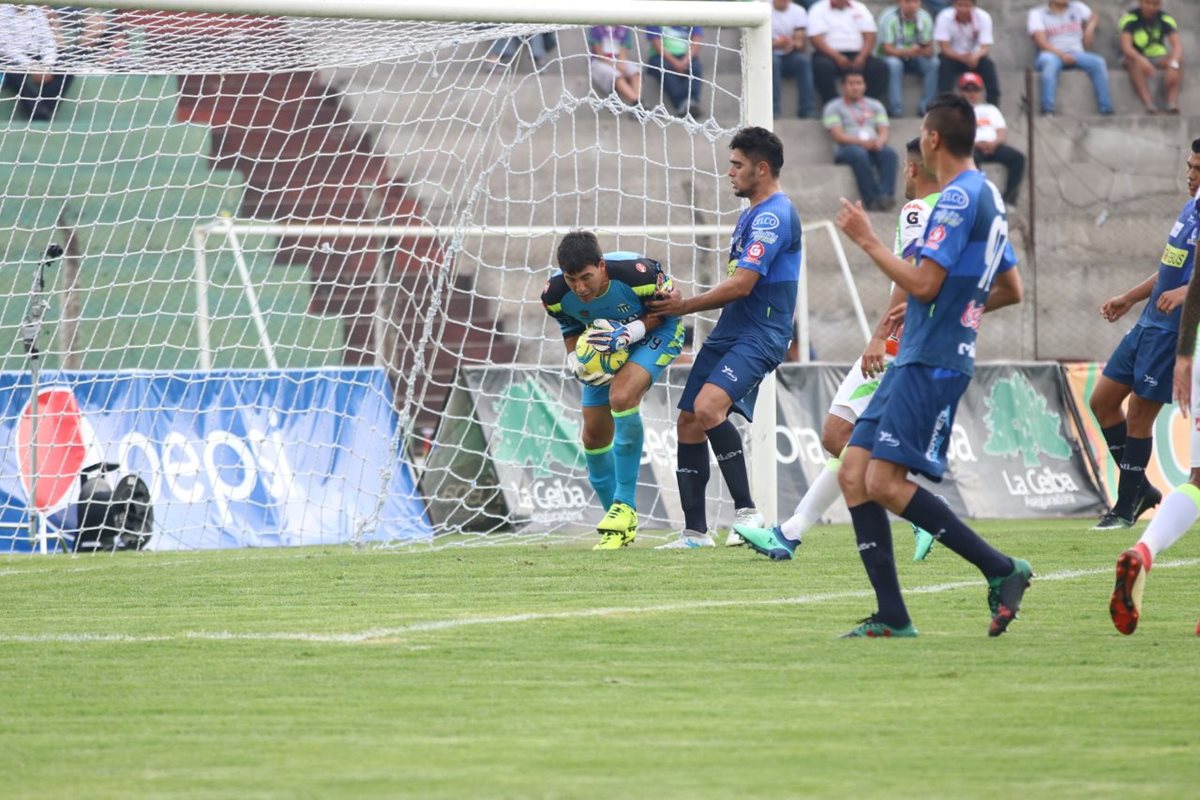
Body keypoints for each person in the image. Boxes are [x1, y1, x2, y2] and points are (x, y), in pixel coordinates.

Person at [832, 93, 1030, 638]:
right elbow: (1011, 288)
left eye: (922, 131)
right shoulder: (987, 193)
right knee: (854, 474)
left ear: (933, 139)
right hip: (917, 353)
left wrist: (867, 239)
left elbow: (923, 282)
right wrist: (957, 305)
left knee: (885, 482)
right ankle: (893, 615)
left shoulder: (958, 199)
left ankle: (1001, 568)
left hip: (933, 360)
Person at [733, 135, 941, 562]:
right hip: (930, 340)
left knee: (837, 433)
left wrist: (881, 335)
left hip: (904, 340)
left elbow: (912, 276)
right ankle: (789, 533)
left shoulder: (918, 211)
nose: (903, 173)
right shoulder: (954, 213)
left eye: (905, 165)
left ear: (916, 168)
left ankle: (915, 510)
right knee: (848, 437)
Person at [648, 127, 801, 549]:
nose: (729, 172)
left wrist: (684, 306)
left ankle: (749, 514)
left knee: (709, 407)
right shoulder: (752, 213)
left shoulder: (773, 215)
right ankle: (696, 533)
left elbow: (743, 285)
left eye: (737, 165)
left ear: (761, 168)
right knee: (689, 420)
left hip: (762, 331)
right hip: (733, 328)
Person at [541, 232, 685, 550]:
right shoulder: (554, 294)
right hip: (604, 351)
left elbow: (672, 307)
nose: (579, 287)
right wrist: (573, 360)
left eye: (586, 277)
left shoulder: (638, 274)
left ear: (602, 266)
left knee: (621, 397)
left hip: (657, 332)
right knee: (593, 436)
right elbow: (570, 327)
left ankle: (624, 504)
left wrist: (629, 332)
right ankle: (618, 528)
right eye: (571, 279)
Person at [1110, 142, 1200, 636]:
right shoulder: (1194, 208)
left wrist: (1187, 355)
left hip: (1196, 345)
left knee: (1198, 478)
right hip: (1181, 340)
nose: (1191, 175)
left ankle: (1144, 548)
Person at [1088, 144, 1200, 531]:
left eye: (1198, 169)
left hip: (1174, 331)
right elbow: (1170, 268)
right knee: (1102, 401)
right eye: (1189, 166)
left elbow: (1192, 280)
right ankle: (1143, 490)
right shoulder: (1190, 209)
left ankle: (1123, 507)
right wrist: (1130, 297)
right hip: (1149, 322)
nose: (1191, 174)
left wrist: (1186, 294)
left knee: (1138, 413)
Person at [824, 70, 898, 212]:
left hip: (872, 145)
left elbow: (884, 129)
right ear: (843, 86)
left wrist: (879, 142)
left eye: (859, 83)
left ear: (864, 86)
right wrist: (861, 142)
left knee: (889, 154)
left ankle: (885, 196)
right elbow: (838, 135)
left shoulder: (875, 105)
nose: (855, 87)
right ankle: (871, 200)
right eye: (851, 83)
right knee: (859, 155)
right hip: (846, 148)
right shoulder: (833, 107)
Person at [1028, 0, 1114, 116]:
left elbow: (1094, 17)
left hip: (1076, 53)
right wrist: (1062, 55)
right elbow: (1041, 43)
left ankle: (1106, 108)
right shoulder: (1037, 13)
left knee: (1098, 62)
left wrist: (1090, 28)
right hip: (1050, 54)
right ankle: (1048, 109)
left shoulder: (1077, 7)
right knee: (1050, 63)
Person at [959, 72, 1025, 206]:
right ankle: (978, 200)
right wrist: (976, 144)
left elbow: (1001, 132)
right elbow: (958, 135)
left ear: (981, 91)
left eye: (975, 89)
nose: (971, 93)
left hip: (994, 146)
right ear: (961, 91)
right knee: (970, 160)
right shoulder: (957, 111)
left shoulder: (991, 109)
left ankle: (1009, 200)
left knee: (1018, 158)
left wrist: (994, 143)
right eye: (967, 89)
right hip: (971, 148)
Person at [806, 0, 889, 106]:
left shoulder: (859, 7)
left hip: (857, 53)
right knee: (822, 67)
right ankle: (832, 105)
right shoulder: (818, 9)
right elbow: (815, 38)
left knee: (879, 67)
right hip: (828, 54)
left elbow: (870, 34)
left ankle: (867, 105)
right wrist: (837, 57)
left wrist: (862, 56)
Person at [0, 4, 73, 122]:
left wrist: (47, 64)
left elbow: (48, 41)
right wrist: (32, 66)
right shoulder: (2, 11)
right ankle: (36, 109)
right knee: (11, 72)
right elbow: (5, 47)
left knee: (67, 64)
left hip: (38, 57)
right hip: (11, 58)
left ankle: (43, 106)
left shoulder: (35, 11)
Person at [1118, 0, 1183, 116]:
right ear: (1140, 3)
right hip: (1135, 56)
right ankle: (1149, 104)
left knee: (1179, 59)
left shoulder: (1165, 18)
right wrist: (1141, 60)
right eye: (1148, 3)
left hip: (1158, 56)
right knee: (1132, 62)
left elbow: (1177, 46)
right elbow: (1126, 48)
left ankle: (1172, 103)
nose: (1152, 7)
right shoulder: (1130, 18)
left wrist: (1173, 64)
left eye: (1155, 4)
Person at [876, 0, 938, 118]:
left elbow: (929, 48)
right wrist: (908, 51)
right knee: (894, 65)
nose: (912, 5)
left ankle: (926, 107)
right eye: (907, 2)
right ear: (899, 2)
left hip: (916, 56)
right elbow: (887, 49)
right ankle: (896, 108)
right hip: (892, 56)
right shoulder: (889, 18)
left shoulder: (924, 17)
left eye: (915, 2)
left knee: (934, 63)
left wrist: (922, 51)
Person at [934, 0, 1000, 106]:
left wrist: (975, 56)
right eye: (960, 5)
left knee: (988, 65)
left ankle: (993, 104)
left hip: (975, 57)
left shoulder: (983, 17)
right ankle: (945, 105)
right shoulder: (944, 17)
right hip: (953, 56)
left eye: (967, 6)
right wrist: (962, 57)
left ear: (974, 6)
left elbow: (985, 47)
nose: (963, 9)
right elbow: (944, 48)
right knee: (945, 65)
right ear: (954, 5)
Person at [646, 24, 705, 119]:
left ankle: (692, 101)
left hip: (685, 57)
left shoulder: (691, 15)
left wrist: (685, 61)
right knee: (664, 70)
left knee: (695, 67)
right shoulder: (655, 16)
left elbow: (696, 40)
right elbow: (656, 44)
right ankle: (682, 103)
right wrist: (675, 63)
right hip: (661, 57)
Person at [770, 0, 816, 119]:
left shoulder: (798, 11)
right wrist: (773, 44)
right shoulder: (762, 9)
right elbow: (756, 43)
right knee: (773, 62)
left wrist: (791, 43)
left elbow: (800, 44)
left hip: (789, 55)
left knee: (804, 62)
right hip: (767, 54)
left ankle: (807, 109)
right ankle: (773, 109)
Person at [586, 25, 642, 106]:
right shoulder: (596, 28)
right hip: (600, 62)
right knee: (617, 75)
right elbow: (599, 54)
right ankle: (636, 102)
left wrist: (621, 63)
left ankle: (638, 102)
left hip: (619, 60)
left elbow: (623, 52)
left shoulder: (623, 28)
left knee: (635, 72)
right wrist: (614, 64)